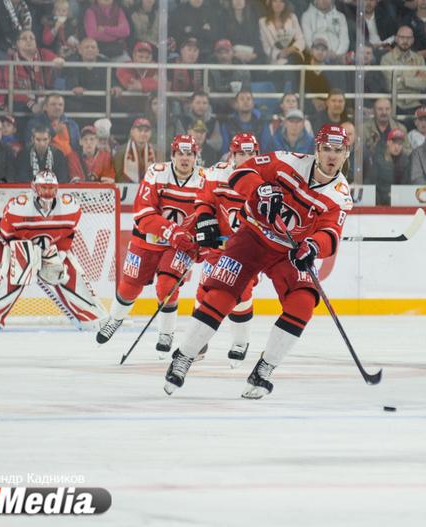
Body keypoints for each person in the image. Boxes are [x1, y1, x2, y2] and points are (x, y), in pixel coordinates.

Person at [162, 124, 353, 398]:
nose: (331, 155)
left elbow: (330, 233)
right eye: (326, 149)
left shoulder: (340, 195)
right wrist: (260, 189)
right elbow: (241, 172)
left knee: (303, 302)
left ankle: (264, 369)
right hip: (253, 236)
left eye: (338, 150)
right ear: (317, 149)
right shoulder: (288, 161)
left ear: (346, 153)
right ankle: (184, 356)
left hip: (288, 250)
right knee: (222, 294)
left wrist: (312, 246)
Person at [96, 135, 203, 348]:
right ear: (173, 155)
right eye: (180, 153)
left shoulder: (204, 180)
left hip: (179, 245)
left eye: (189, 154)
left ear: (195, 157)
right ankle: (115, 319)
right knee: (129, 286)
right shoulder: (157, 172)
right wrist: (172, 231)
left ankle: (166, 333)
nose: (185, 158)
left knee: (167, 286)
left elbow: (209, 214)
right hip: (147, 239)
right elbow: (143, 214)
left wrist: (201, 240)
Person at [0, 170, 108, 330]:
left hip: (52, 247)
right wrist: (28, 257)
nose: (47, 192)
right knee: (16, 271)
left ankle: (93, 317)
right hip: (17, 245)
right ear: (34, 188)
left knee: (70, 272)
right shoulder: (19, 208)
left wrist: (59, 255)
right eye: (43, 188)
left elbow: (67, 237)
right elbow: (4, 238)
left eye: (51, 188)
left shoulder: (69, 208)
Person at [193, 133, 262, 367]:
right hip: (219, 248)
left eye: (251, 153)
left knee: (241, 292)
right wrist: (205, 220)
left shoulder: (266, 179)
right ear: (232, 154)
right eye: (241, 153)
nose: (246, 158)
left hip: (248, 251)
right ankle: (198, 341)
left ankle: (241, 342)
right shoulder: (216, 173)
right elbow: (203, 201)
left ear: (257, 154)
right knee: (204, 291)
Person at [380, 25, 426, 112]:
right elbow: (390, 86)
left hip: (415, 104)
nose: (405, 41)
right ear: (396, 39)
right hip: (394, 104)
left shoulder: (419, 59)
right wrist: (414, 78)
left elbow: (424, 83)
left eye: (408, 38)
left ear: (413, 40)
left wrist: (402, 79)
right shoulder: (386, 59)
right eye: (402, 37)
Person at [367, 128, 411, 205]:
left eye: (400, 144)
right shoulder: (377, 158)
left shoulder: (405, 162)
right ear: (388, 142)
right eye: (394, 143)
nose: (397, 147)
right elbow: (372, 182)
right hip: (378, 201)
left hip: (398, 201)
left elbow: (405, 185)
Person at [113, 118, 158, 183]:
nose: (143, 133)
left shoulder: (156, 152)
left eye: (146, 131)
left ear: (150, 133)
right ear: (132, 132)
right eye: (139, 130)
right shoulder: (121, 151)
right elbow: (118, 176)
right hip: (127, 187)